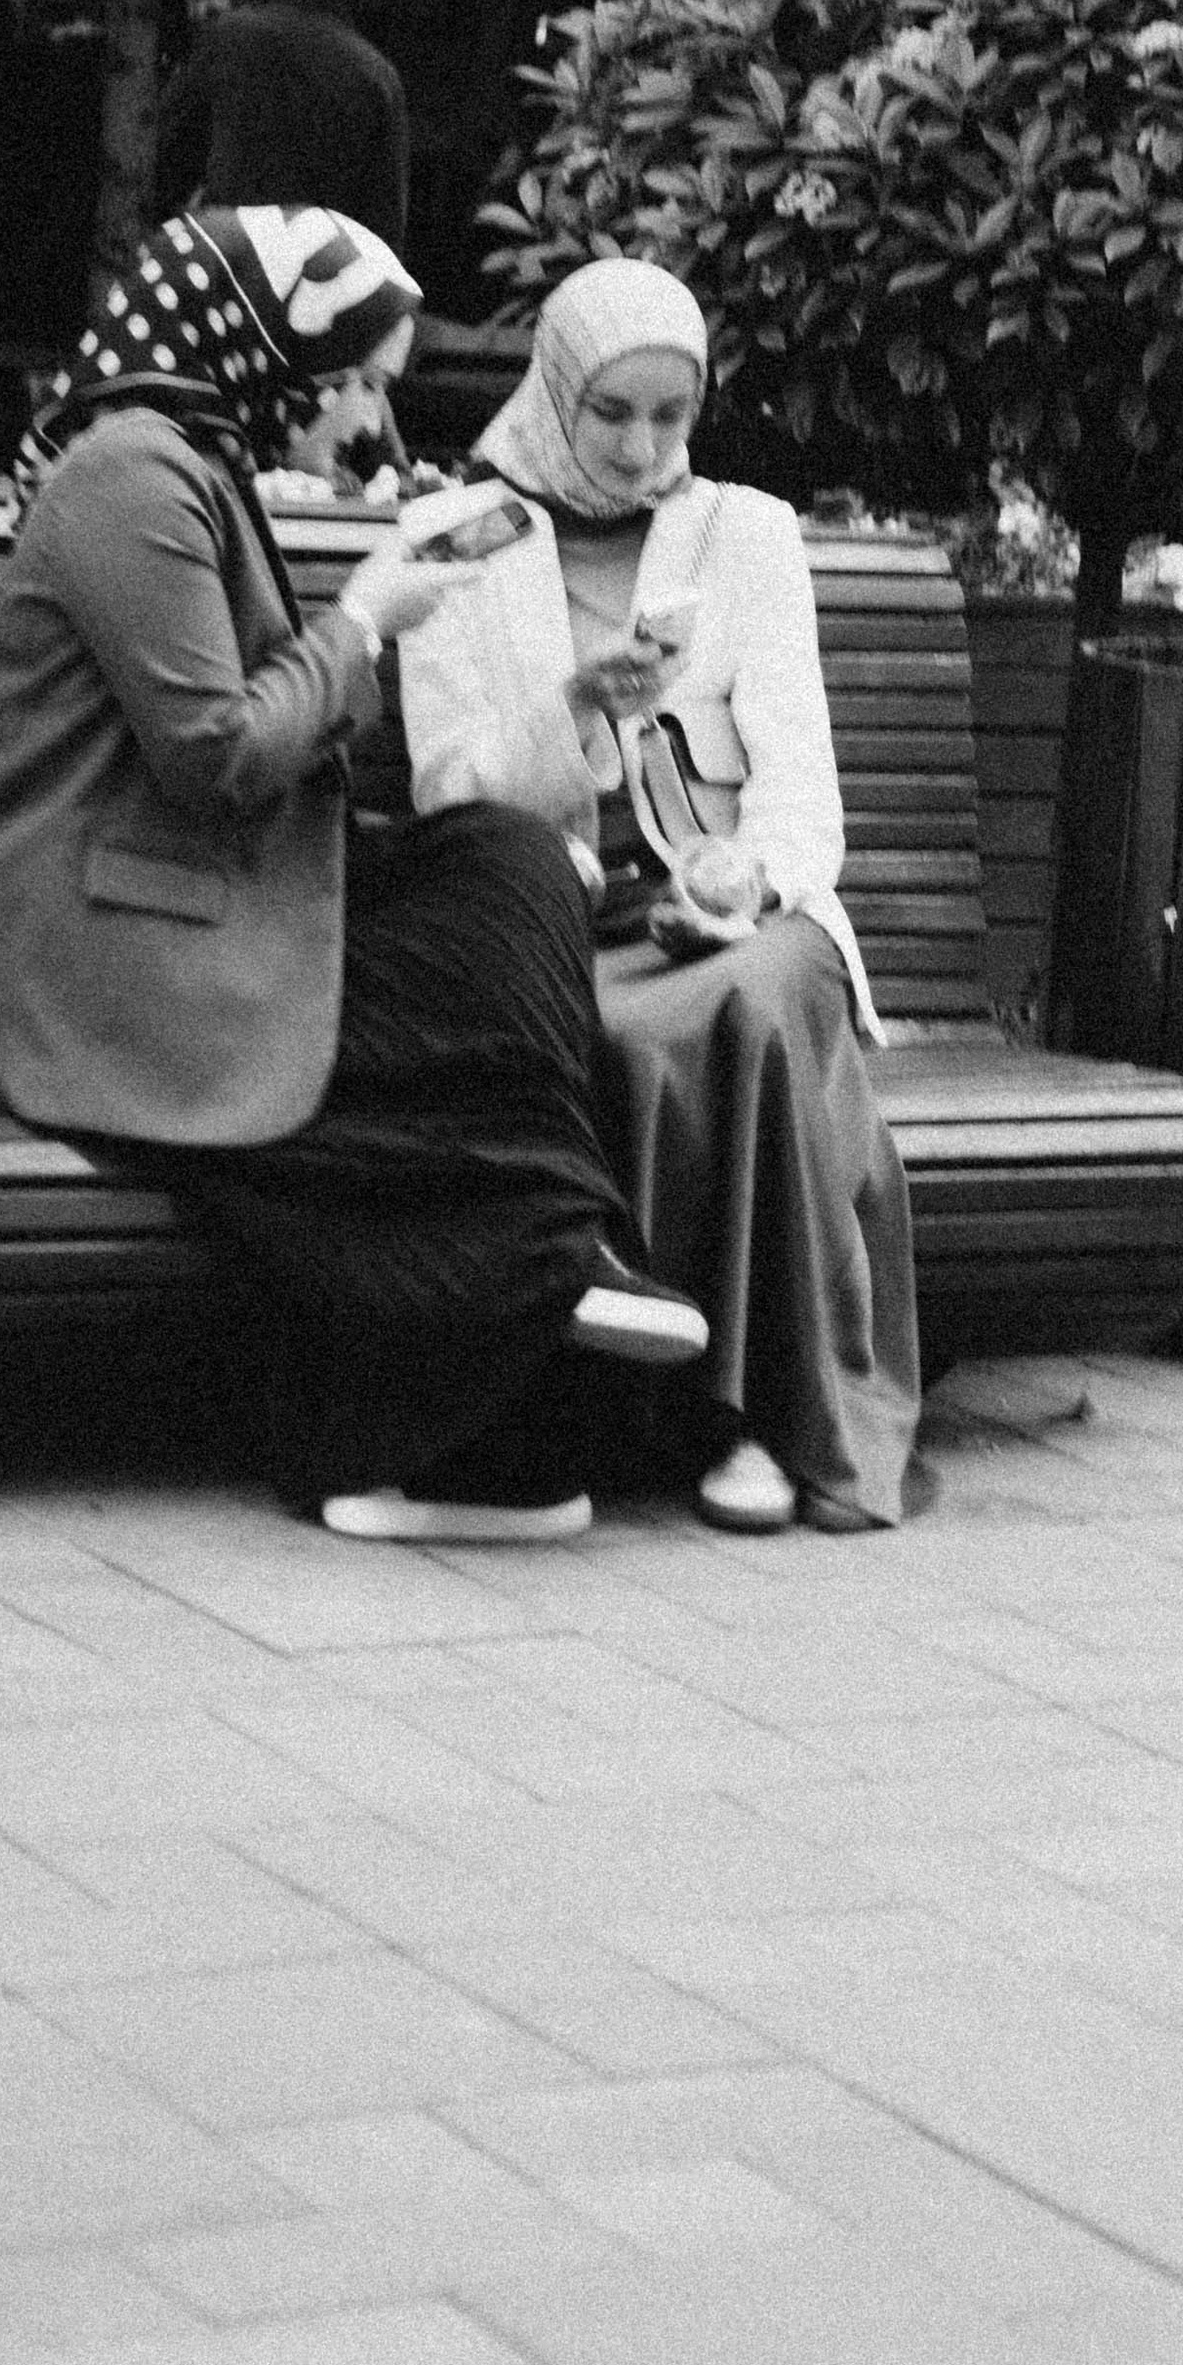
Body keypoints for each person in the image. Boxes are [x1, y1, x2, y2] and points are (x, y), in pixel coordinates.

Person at [0, 205, 704, 1545]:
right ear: (254, 348)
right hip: (108, 962)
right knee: (432, 1028)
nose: (366, 419)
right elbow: (214, 753)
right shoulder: (130, 478)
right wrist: (362, 621)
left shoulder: (189, 464)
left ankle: (563, 1247)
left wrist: (373, 618)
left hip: (200, 902)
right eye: (351, 378)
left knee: (509, 867)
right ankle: (476, 1345)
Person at [399, 260, 922, 1534]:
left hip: (742, 921)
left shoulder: (745, 533)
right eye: (610, 415)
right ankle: (677, 1416)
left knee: (746, 1003)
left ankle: (771, 1426)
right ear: (554, 395)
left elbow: (805, 791)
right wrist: (577, 705)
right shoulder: (455, 533)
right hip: (560, 923)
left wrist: (751, 875)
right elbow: (448, 797)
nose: (642, 451)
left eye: (670, 417)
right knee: (619, 1036)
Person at [156, 0, 411, 247]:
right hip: (319, 272)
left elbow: (168, 143)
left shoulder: (229, 38)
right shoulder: (374, 74)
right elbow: (385, 214)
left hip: (229, 255)